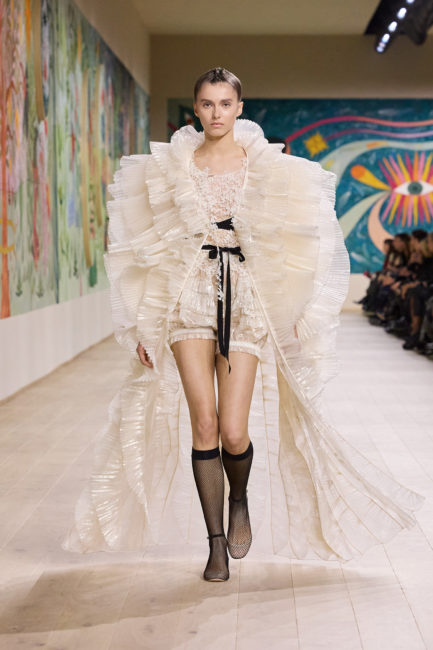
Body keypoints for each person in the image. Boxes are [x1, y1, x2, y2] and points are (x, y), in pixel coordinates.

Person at [62, 67, 425, 581]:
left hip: (246, 302)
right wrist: (143, 324)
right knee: (204, 424)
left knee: (234, 431)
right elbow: (142, 248)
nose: (216, 113)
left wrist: (297, 310)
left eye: (225, 103)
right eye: (207, 104)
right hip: (187, 298)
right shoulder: (171, 167)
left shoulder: (267, 167)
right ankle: (214, 543)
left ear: (239, 108)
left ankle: (238, 497)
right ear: (196, 109)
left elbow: (302, 239)